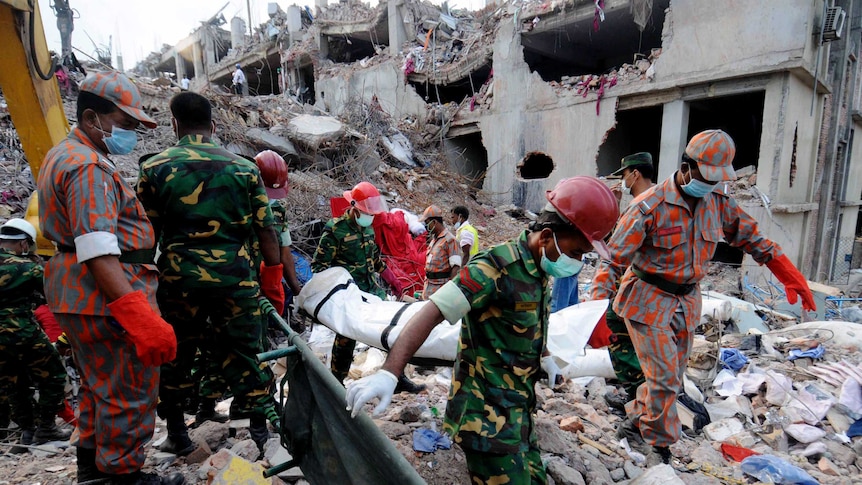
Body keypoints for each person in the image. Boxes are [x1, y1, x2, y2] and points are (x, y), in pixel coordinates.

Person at [346, 177, 619, 483]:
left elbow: (529, 323)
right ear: (546, 236)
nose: (579, 261)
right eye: (578, 251)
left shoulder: (538, 268)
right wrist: (390, 372)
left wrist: (545, 358)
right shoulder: (493, 268)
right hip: (486, 422)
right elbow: (431, 312)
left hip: (518, 414)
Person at [592, 130, 816, 465]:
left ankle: (635, 422)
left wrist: (787, 272)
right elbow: (612, 259)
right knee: (665, 377)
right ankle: (659, 447)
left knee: (671, 376)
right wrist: (596, 308)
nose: (711, 184)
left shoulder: (719, 204)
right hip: (646, 297)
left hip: (687, 300)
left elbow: (752, 238)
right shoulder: (648, 207)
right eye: (706, 176)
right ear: (686, 167)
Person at [38, 71, 182, 484]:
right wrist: (140, 317)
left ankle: (92, 468)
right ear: (90, 117)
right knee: (129, 390)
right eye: (125, 122)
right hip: (103, 297)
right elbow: (98, 248)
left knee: (99, 385)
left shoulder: (65, 153)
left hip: (78, 294)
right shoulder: (88, 167)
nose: (132, 131)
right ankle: (123, 476)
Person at [137, 92, 284, 455]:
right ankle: (260, 432)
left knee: (177, 356)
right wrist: (271, 279)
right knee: (245, 352)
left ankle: (177, 434)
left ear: (174, 125)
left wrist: (145, 289)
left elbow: (143, 238)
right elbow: (267, 231)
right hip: (235, 280)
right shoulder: (244, 169)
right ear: (213, 126)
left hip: (179, 282)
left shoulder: (155, 168)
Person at [312, 182, 423, 392]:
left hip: (371, 292)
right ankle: (336, 383)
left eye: (371, 214)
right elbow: (319, 267)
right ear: (353, 207)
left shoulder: (368, 228)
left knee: (391, 330)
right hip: (350, 295)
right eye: (366, 213)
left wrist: (392, 279)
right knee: (346, 340)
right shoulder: (335, 229)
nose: (370, 217)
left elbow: (375, 260)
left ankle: (396, 377)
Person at [0, 219, 71, 446]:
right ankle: (47, 427)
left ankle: (28, 430)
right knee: (53, 376)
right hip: (21, 332)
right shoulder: (28, 267)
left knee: (13, 383)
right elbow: (55, 298)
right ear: (23, 244)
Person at [595, 152, 656, 402]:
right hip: (648, 290)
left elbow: (617, 251)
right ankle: (650, 395)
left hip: (634, 288)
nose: (622, 181)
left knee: (617, 339)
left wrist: (598, 299)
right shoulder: (660, 201)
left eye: (623, 176)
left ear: (635, 174)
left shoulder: (643, 205)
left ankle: (638, 397)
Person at [254, 150, 303, 298]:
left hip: (269, 281)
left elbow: (284, 251)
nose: (270, 199)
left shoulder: (278, 211)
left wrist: (297, 291)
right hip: (243, 281)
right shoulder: (239, 207)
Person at [419, 205, 461, 299]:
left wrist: (450, 293)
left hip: (441, 290)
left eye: (427, 223)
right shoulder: (434, 240)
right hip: (429, 288)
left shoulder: (450, 240)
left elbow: (455, 268)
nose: (425, 226)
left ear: (434, 222)